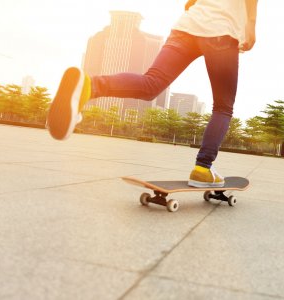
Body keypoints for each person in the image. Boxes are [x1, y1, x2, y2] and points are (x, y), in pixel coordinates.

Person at [47, 0, 258, 188]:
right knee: (223, 106)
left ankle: (89, 85)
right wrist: (250, 27)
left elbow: (188, 4)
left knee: (151, 84)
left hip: (186, 27)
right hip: (221, 31)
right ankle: (203, 168)